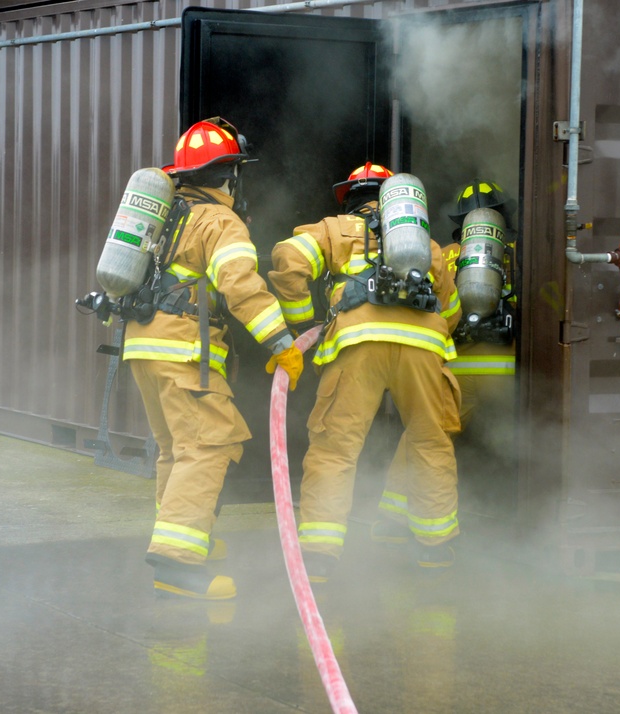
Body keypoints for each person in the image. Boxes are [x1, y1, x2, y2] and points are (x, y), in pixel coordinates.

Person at [122, 118, 303, 600]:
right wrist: (282, 343)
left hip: (142, 346)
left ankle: (186, 538)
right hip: (182, 350)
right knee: (208, 445)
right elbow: (241, 285)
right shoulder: (220, 221)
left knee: (176, 449)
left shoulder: (165, 215)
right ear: (228, 174)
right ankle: (177, 565)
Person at [268, 163, 463, 582]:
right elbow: (451, 308)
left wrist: (306, 324)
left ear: (351, 198)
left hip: (358, 343)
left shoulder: (337, 229)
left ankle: (319, 556)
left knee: (335, 447)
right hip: (424, 347)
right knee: (430, 442)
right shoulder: (424, 245)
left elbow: (289, 259)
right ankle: (436, 549)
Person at [373, 179, 518, 543]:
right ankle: (516, 517)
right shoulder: (513, 251)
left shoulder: (441, 252)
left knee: (426, 438)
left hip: (455, 366)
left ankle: (393, 515)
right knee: (521, 441)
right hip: (504, 368)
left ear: (458, 222)